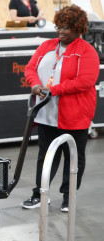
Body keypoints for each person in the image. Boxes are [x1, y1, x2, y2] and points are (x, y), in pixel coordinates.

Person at [21, 4, 100, 212]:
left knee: (73, 158)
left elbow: (85, 81)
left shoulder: (87, 52)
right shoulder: (47, 46)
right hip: (47, 114)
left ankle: (68, 196)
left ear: (78, 28)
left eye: (65, 28)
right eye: (58, 27)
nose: (60, 31)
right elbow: (30, 68)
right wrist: (35, 84)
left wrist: (54, 89)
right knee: (45, 156)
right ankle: (40, 193)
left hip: (76, 115)